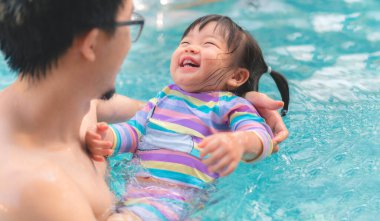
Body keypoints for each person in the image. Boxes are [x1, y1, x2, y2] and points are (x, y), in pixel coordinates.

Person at [0, 0, 288, 220]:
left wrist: (233, 100)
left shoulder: (82, 106)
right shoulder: (43, 194)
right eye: (130, 23)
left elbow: (148, 114)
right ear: (91, 44)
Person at [86, 14, 289, 221]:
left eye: (208, 43)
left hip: (176, 199)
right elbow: (135, 131)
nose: (190, 48)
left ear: (236, 76)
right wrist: (109, 137)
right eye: (185, 42)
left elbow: (262, 138)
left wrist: (239, 142)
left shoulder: (232, 106)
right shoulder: (163, 97)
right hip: (134, 192)